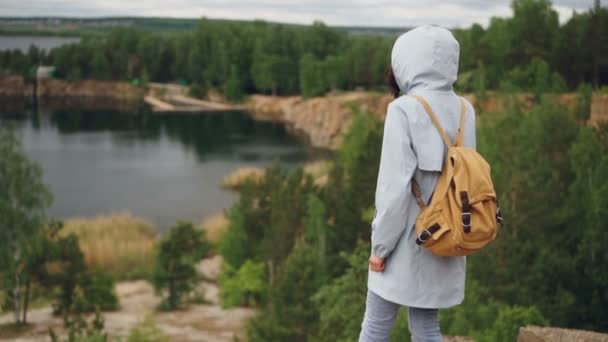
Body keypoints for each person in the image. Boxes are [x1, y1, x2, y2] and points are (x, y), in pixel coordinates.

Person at [359, 25, 476, 342]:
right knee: (426, 328)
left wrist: (379, 249)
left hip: (404, 242)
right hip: (447, 236)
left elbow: (392, 192)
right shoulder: (466, 110)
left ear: (406, 62)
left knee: (375, 326)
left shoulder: (403, 110)